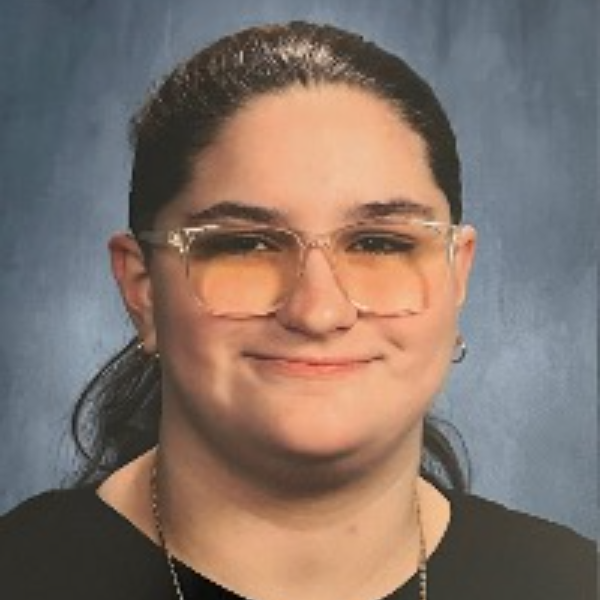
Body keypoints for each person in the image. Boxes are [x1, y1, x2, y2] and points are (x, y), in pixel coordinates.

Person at [0, 20, 594, 600]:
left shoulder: (571, 583)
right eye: (246, 245)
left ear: (456, 273)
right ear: (143, 288)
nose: (317, 311)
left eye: (378, 243)